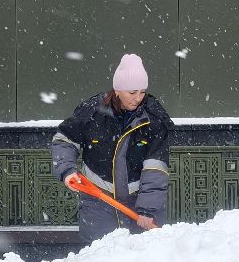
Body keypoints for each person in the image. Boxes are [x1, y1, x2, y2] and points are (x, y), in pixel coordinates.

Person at [50, 53, 172, 242]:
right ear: (118, 90)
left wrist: (148, 209)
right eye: (132, 92)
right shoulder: (92, 112)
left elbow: (156, 167)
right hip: (98, 204)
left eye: (142, 92)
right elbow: (65, 140)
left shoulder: (153, 118)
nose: (138, 98)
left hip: (138, 202)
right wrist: (67, 171)